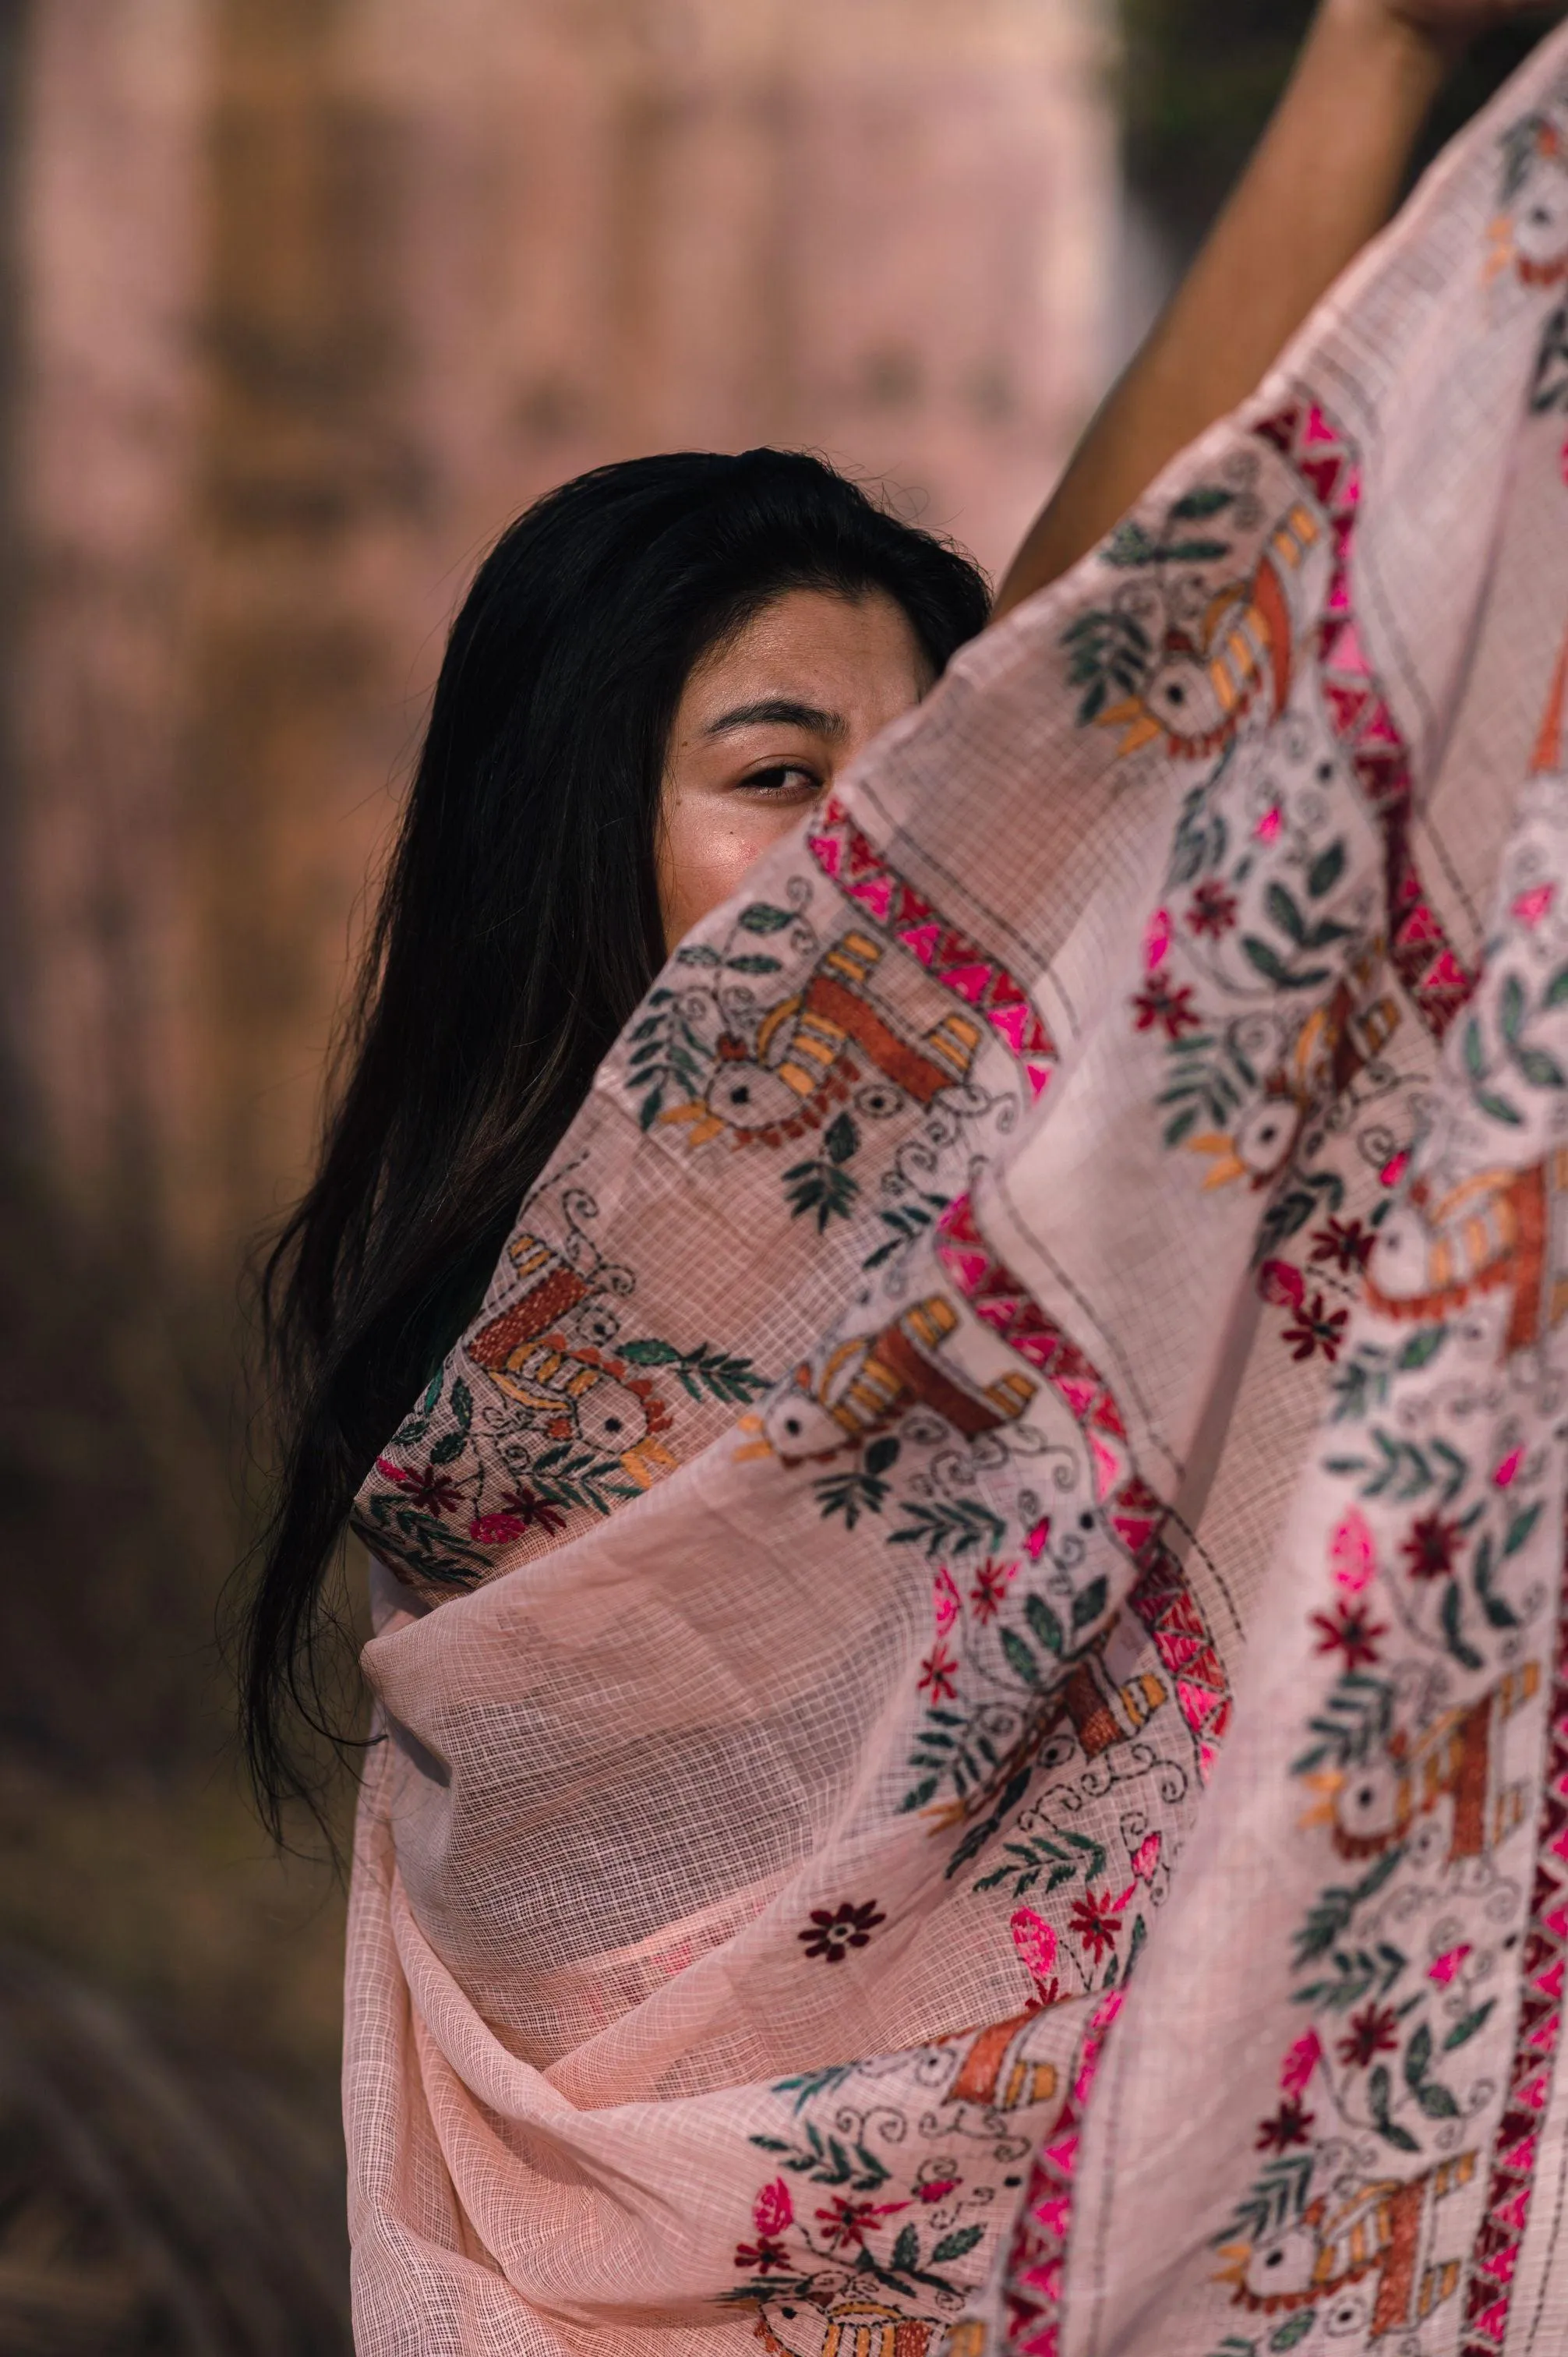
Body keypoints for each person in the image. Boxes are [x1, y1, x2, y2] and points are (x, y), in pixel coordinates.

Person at [248, 5, 1568, 2353]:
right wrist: (1364, 65)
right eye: (775, 774)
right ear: (563, 855)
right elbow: (1001, 822)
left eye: (914, 789)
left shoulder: (1069, 1274)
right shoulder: (560, 1422)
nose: (867, 865)